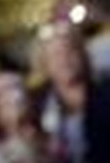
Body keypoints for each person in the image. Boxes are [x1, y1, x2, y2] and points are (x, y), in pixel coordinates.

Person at [30, 20, 110, 162]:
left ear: (82, 55)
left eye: (69, 51)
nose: (64, 60)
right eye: (56, 55)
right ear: (45, 64)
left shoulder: (105, 91)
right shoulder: (37, 103)